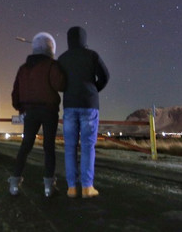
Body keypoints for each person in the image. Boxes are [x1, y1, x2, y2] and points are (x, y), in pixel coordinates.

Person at [9, 32, 67, 197]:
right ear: (51, 48)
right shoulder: (51, 65)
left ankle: (14, 182)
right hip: (49, 111)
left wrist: (20, 108)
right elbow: (61, 85)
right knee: (49, 147)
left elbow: (15, 93)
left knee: (26, 145)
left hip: (29, 111)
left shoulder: (23, 68)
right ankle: (49, 186)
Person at [58, 26, 110, 198]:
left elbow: (58, 83)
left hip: (70, 105)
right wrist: (94, 90)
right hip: (89, 104)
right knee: (88, 146)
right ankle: (87, 187)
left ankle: (72, 188)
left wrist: (68, 89)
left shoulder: (62, 59)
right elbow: (105, 76)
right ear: (84, 38)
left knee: (70, 147)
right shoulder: (92, 55)